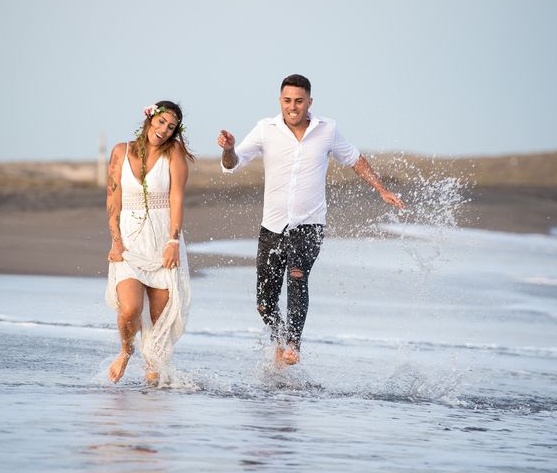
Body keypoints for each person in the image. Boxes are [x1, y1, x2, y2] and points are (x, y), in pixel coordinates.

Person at [217, 74, 405, 367]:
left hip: (310, 224)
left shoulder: (327, 130)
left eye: (299, 101)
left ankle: (293, 343)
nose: (293, 107)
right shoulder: (265, 129)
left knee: (297, 274)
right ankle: (279, 339)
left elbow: (354, 159)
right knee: (264, 303)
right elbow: (233, 164)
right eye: (288, 101)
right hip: (272, 226)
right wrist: (228, 149)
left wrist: (381, 189)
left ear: (309, 102)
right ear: (281, 100)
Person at [105, 100, 194, 384]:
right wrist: (116, 241)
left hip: (161, 242)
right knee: (130, 309)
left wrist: (173, 241)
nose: (164, 130)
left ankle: (153, 388)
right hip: (129, 244)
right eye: (161, 122)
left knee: (158, 325)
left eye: (171, 127)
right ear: (149, 120)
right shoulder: (121, 151)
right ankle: (125, 349)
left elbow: (176, 198)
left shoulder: (174, 153)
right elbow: (113, 201)